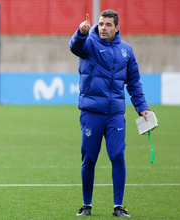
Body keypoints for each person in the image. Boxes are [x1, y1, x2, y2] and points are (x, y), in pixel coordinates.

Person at [69, 9, 150, 218]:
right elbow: (76, 47)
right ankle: (86, 205)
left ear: (117, 28)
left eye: (107, 25)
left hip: (115, 114)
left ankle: (118, 207)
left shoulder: (127, 51)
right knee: (89, 158)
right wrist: (81, 32)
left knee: (117, 155)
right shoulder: (90, 43)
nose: (103, 28)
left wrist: (142, 106)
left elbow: (134, 82)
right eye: (101, 23)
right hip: (91, 112)